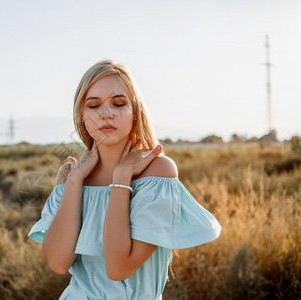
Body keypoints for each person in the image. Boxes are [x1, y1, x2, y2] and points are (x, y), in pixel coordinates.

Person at [28, 59, 221, 299]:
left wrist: (121, 179)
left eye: (118, 103)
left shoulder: (158, 173)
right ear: (81, 116)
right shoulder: (69, 175)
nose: (106, 114)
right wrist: (76, 180)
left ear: (135, 113)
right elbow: (57, 262)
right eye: (93, 105)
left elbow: (118, 268)